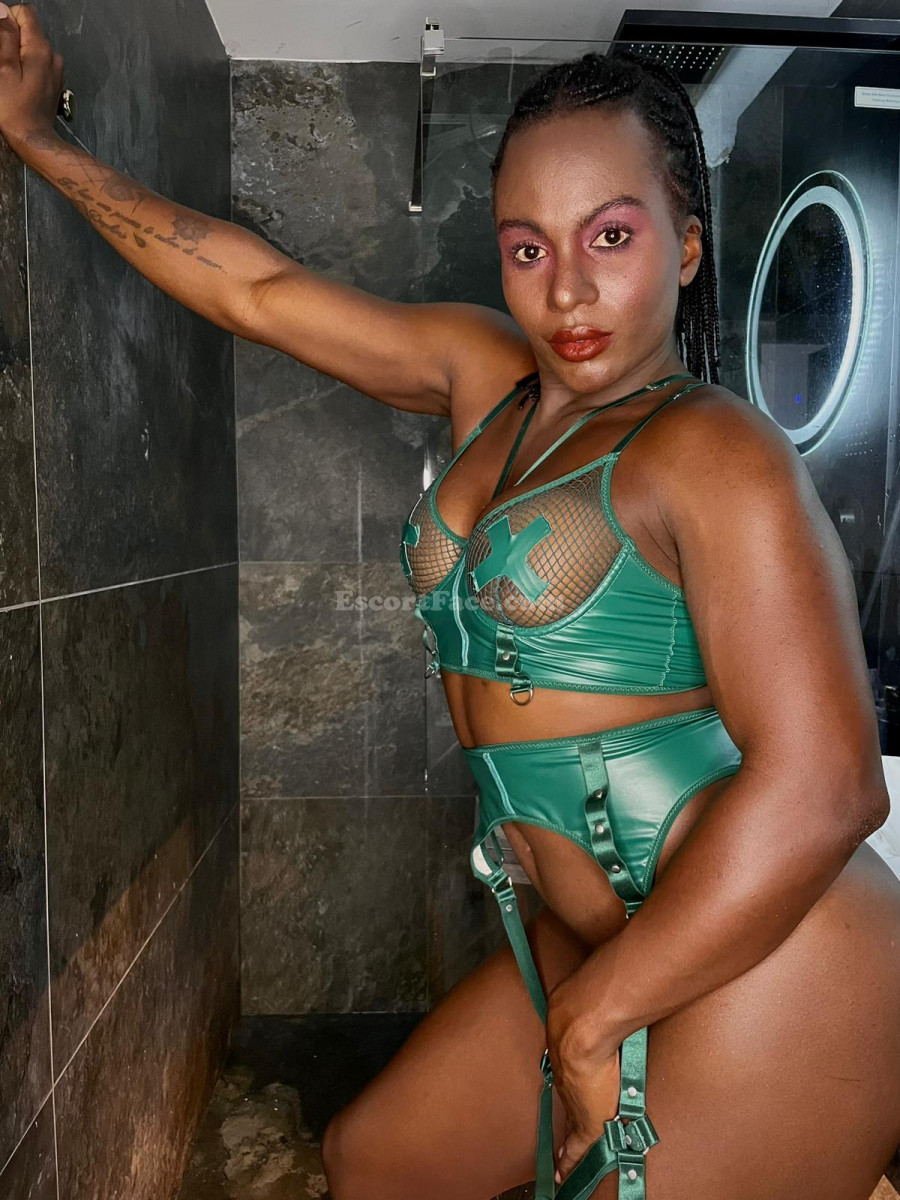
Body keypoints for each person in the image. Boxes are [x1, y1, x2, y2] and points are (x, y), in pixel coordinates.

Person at [2, 7, 899, 1197]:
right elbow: (257, 291)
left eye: (612, 235)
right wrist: (41, 141)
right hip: (587, 933)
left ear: (687, 245)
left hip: (776, 950)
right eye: (528, 248)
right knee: (378, 1161)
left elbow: (831, 784)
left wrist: (593, 1022)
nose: (568, 290)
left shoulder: (714, 451)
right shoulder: (487, 378)